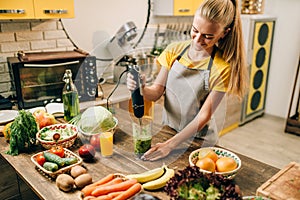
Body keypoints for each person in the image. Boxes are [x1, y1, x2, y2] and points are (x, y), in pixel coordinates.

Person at [127, 0, 248, 161]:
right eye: (195, 30)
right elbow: (155, 93)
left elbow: (204, 116)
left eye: (207, 36)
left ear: (224, 33)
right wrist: (141, 88)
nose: (198, 39)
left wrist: (171, 145)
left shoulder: (221, 68)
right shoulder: (174, 51)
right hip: (168, 133)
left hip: (198, 143)